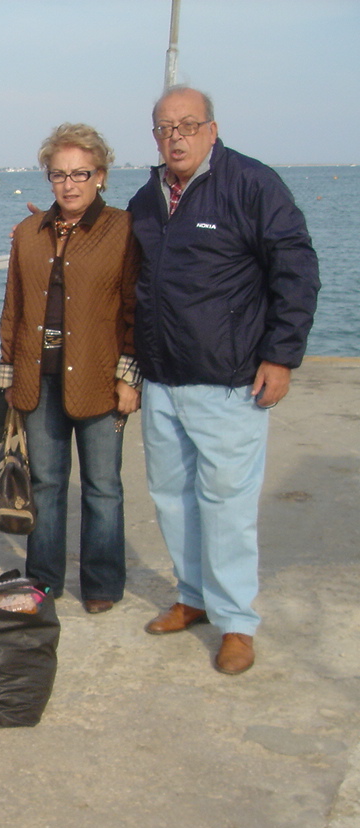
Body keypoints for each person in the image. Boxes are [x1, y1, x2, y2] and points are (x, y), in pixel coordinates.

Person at [127, 86, 318, 674]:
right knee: (172, 498)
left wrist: (281, 356)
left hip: (230, 382)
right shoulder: (146, 199)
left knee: (227, 507)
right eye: (165, 128)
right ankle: (193, 597)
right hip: (163, 379)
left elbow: (296, 269)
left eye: (188, 125)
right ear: (154, 136)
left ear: (212, 129)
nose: (176, 137)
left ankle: (237, 622)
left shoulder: (252, 184)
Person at [0, 123, 140, 614]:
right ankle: (44, 581)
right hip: (40, 378)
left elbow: (134, 308)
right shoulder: (28, 233)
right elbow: (14, 309)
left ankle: (101, 583)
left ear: (100, 175)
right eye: (59, 174)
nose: (69, 184)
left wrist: (129, 377)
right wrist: (9, 375)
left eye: (80, 173)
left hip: (99, 378)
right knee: (46, 484)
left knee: (103, 487)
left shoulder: (123, 229)